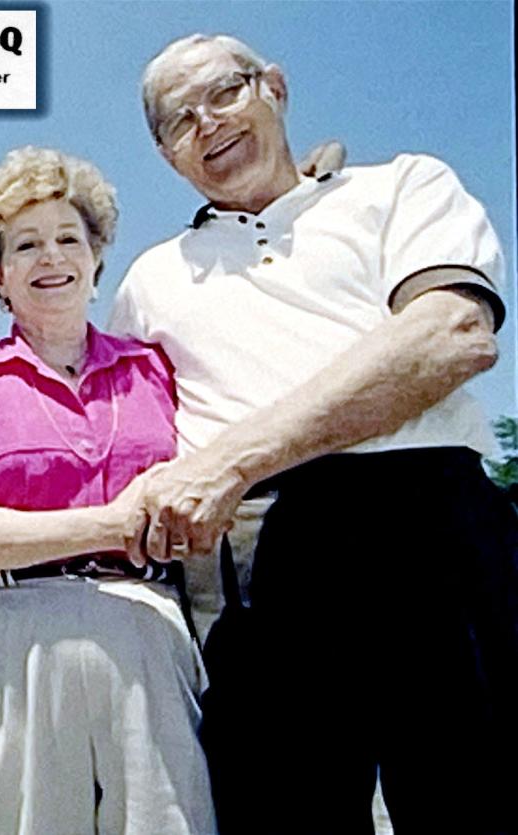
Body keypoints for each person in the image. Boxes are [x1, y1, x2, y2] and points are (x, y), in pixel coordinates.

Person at [109, 33, 515, 834]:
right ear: (166, 156)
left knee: (477, 800)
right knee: (281, 813)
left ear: (277, 88)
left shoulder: (403, 186)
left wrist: (232, 458)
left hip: (430, 526)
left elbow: (450, 334)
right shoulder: (149, 279)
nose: (209, 123)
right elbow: (125, 450)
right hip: (259, 565)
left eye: (225, 92)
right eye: (178, 120)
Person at [0, 146, 216, 835]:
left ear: (96, 258)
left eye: (68, 238)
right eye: (26, 244)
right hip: (22, 632)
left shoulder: (157, 369)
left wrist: (15, 531)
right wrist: (113, 522)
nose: (52, 258)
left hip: (147, 625)